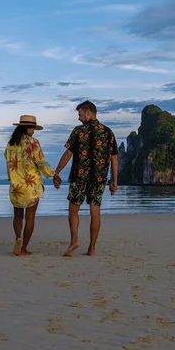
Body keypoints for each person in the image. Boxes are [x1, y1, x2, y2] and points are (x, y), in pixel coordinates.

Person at [53, 100, 118, 257]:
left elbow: (68, 153)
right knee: (95, 211)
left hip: (79, 177)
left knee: (73, 209)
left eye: (80, 114)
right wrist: (114, 180)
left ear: (88, 112)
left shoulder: (78, 131)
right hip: (99, 179)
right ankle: (92, 249)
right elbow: (114, 158)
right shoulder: (108, 132)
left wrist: (56, 172)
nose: (78, 117)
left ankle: (74, 240)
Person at [4, 114, 60, 256]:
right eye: (33, 128)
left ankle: (18, 237)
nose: (34, 131)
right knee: (30, 218)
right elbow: (41, 162)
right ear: (28, 128)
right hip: (31, 186)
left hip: (16, 186)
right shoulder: (33, 142)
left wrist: (12, 178)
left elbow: (8, 162)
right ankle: (23, 249)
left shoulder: (10, 145)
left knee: (17, 216)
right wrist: (53, 175)